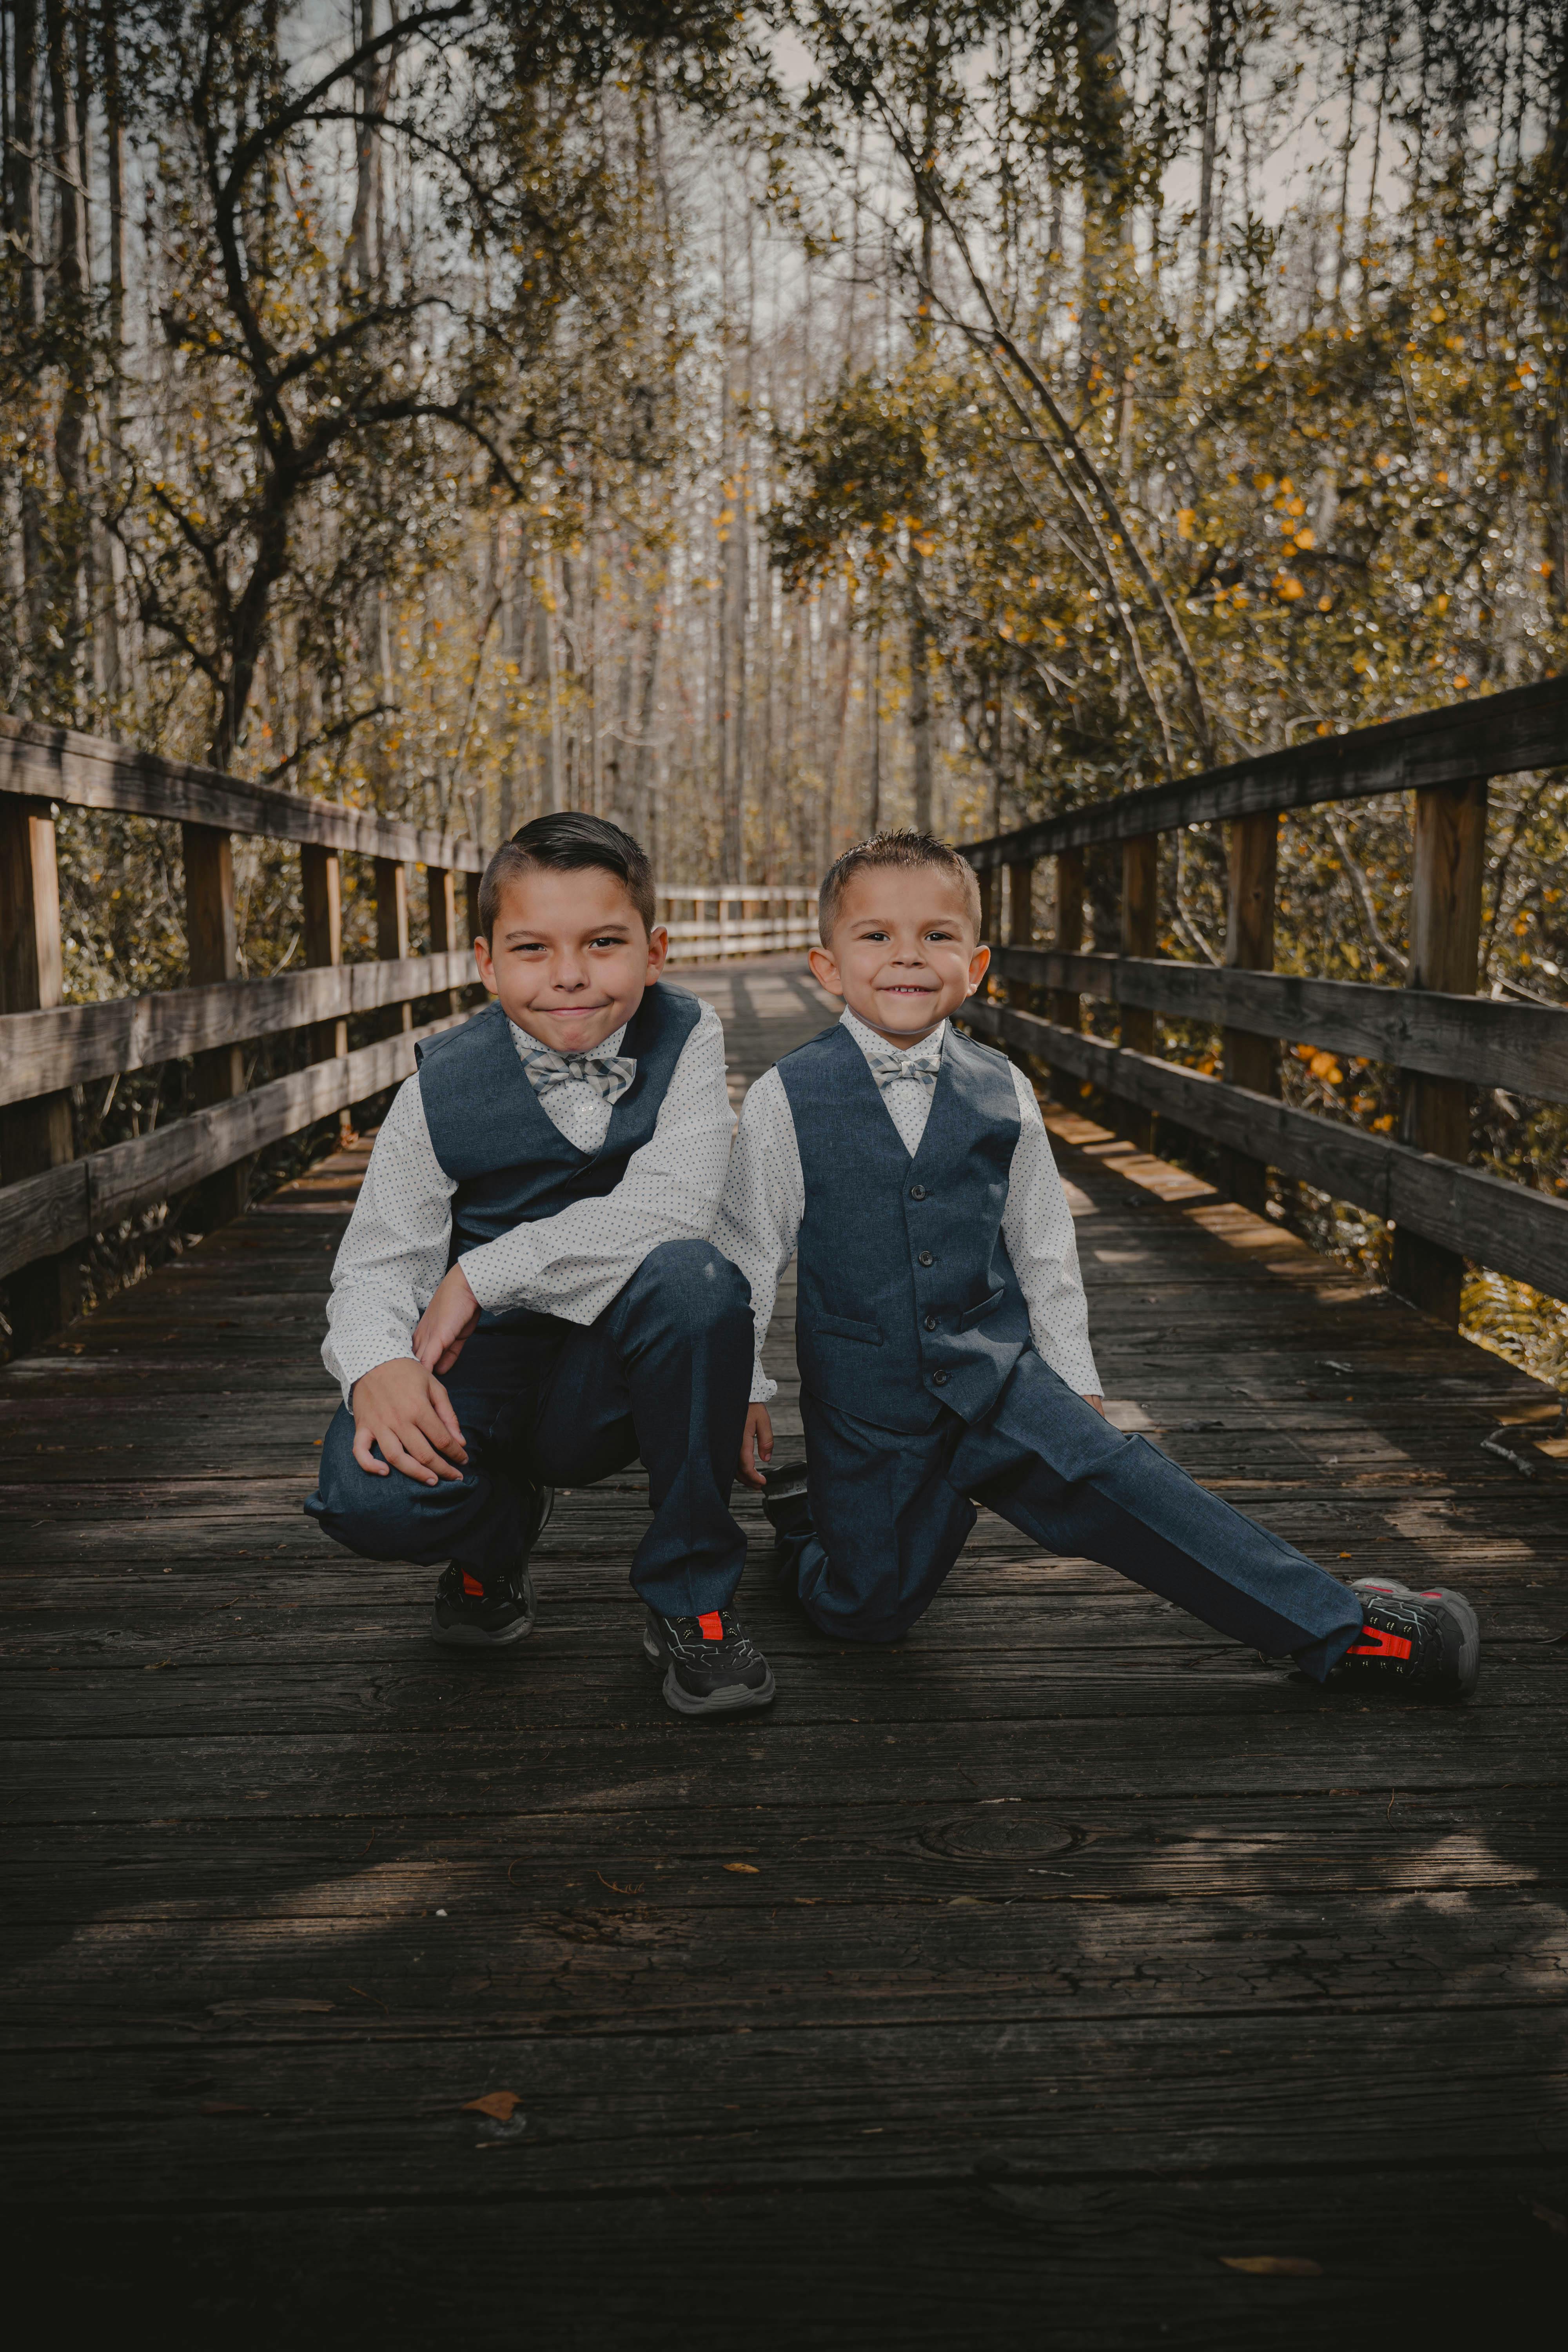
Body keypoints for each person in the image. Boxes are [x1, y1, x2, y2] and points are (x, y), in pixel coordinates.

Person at [717, 829, 1480, 1701]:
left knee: (1126, 1480)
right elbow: (747, 1245)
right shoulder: (786, 1094)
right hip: (870, 1410)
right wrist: (747, 1384)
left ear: (976, 965)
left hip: (993, 1378)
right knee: (865, 1614)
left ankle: (1347, 1629)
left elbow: (1041, 1240)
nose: (906, 957)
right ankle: (811, 1527)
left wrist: (1070, 1373)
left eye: (935, 935)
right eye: (875, 936)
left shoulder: (1002, 1087)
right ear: (826, 966)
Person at [305, 811, 776, 1718]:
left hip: (611, 1383)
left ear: (654, 950)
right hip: (476, 1382)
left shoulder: (686, 1039)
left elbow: (676, 1204)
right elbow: (374, 1262)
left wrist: (480, 1272)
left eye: (603, 943)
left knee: (696, 1281)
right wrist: (376, 1364)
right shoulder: (438, 1086)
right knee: (367, 1500)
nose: (568, 975)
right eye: (531, 949)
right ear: (486, 963)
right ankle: (496, 1532)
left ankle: (692, 1601)